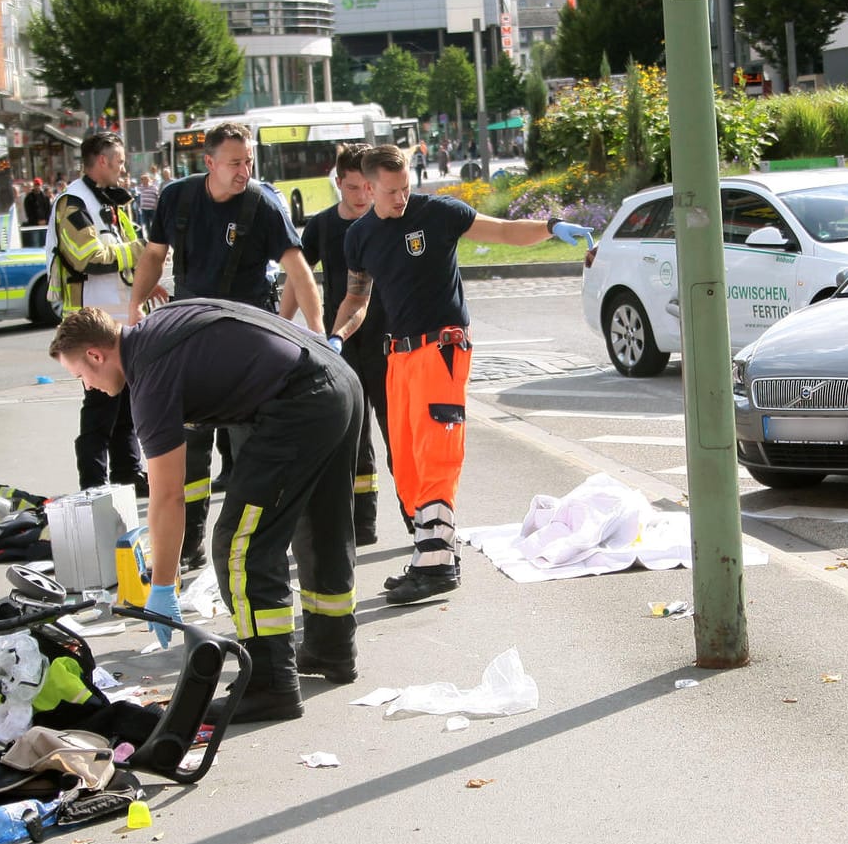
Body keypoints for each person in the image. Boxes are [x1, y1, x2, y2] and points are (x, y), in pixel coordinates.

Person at [49, 300, 363, 722]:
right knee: (320, 524)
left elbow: (167, 495)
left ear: (95, 355)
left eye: (81, 376)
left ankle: (271, 685)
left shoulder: (150, 376)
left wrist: (161, 586)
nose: (87, 386)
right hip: (336, 378)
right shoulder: (156, 330)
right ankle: (331, 647)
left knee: (239, 546)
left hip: (302, 399)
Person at [336, 145, 594, 605]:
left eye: (406, 188)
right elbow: (357, 300)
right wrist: (335, 337)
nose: (401, 198)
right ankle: (435, 553)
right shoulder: (360, 236)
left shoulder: (437, 213)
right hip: (399, 356)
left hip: (443, 348)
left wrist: (553, 227)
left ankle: (434, 568)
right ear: (368, 187)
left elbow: (503, 232)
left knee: (437, 452)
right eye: (391, 191)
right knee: (408, 463)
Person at [128, 121, 325, 572]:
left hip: (245, 347)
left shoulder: (263, 204)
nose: (244, 169)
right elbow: (155, 255)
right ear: (210, 163)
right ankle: (186, 546)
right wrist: (134, 305)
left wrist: (317, 333)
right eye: (235, 162)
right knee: (189, 451)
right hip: (190, 340)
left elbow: (298, 271)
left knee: (249, 449)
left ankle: (251, 547)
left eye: (249, 160)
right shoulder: (177, 197)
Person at [284, 144, 390, 548]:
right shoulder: (324, 226)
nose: (361, 197)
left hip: (387, 340)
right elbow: (299, 275)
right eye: (352, 188)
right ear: (338, 182)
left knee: (395, 436)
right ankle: (362, 523)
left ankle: (418, 523)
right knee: (353, 436)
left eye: (367, 187)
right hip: (341, 343)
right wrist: (284, 322)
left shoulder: (387, 221)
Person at [49, 132, 161, 494]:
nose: (124, 169)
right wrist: (142, 250)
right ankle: (93, 484)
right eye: (119, 161)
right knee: (99, 408)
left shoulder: (108, 202)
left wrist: (145, 283)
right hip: (90, 325)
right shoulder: (73, 203)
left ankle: (129, 473)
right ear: (101, 161)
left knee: (126, 403)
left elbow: (124, 256)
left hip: (119, 321)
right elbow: (89, 258)